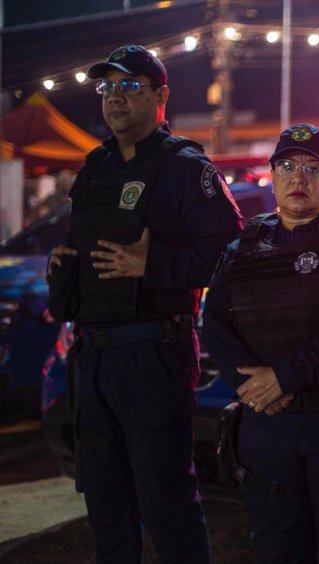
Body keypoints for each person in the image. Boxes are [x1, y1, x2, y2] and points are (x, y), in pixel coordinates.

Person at [46, 45, 242, 562]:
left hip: (152, 356)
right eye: (107, 87)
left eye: (131, 86)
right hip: (93, 360)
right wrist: (64, 260)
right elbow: (86, 241)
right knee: (107, 509)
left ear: (161, 97)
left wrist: (151, 267)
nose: (115, 98)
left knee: (166, 504)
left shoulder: (184, 168)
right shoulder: (95, 168)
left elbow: (227, 252)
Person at [201, 123, 319, 563]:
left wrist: (282, 378)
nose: (298, 178)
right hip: (266, 424)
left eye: (312, 168)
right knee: (278, 547)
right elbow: (216, 325)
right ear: (272, 174)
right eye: (287, 166)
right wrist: (251, 385)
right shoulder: (242, 248)